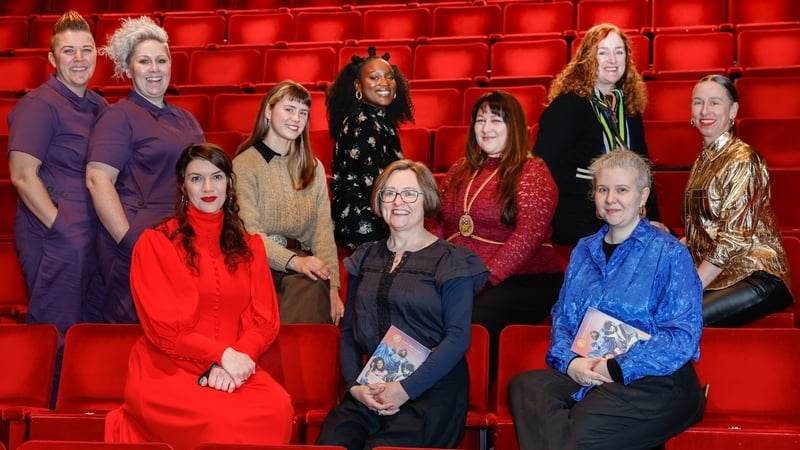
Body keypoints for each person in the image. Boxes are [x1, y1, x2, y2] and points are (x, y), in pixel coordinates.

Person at [508, 149, 706, 450]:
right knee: (526, 387)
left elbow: (681, 336)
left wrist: (613, 368)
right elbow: (563, 318)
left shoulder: (669, 253)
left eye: (621, 190)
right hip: (588, 371)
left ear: (643, 197)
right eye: (603, 189)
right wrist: (571, 362)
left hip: (654, 380)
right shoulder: (583, 251)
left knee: (578, 427)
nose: (611, 198)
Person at [104, 143, 294, 450]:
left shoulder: (251, 246)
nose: (208, 187)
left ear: (230, 183)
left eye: (217, 177)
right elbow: (165, 330)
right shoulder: (156, 243)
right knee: (220, 422)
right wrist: (220, 356)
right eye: (196, 179)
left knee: (278, 407)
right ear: (183, 186)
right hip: (167, 371)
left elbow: (264, 319)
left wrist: (236, 360)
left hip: (234, 367)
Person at [316, 160, 489, 450]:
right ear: (379, 200)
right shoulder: (365, 257)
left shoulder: (452, 260)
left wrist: (405, 389)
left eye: (410, 193)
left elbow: (458, 338)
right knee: (333, 442)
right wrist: (354, 387)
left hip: (433, 387)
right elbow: (348, 333)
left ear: (427, 200)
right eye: (389, 193)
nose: (398, 202)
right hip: (374, 383)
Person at [7, 10, 108, 402]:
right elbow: (21, 176)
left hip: (92, 237)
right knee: (59, 334)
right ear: (52, 59)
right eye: (69, 51)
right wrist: (63, 230)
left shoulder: (100, 105)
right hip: (55, 238)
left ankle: (82, 416)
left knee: (91, 333)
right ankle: (46, 423)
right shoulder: (39, 105)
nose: (79, 58)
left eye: (86, 50)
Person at [434, 90, 563, 383]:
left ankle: (469, 395)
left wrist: (481, 279)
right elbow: (440, 223)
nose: (486, 128)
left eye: (496, 120)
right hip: (464, 276)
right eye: (480, 120)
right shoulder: (460, 169)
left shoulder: (533, 171)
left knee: (472, 319)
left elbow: (527, 237)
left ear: (513, 126)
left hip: (525, 280)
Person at [86, 16, 204, 323]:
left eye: (161, 60)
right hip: (137, 242)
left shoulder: (187, 119)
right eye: (144, 61)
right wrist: (129, 243)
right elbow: (98, 181)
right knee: (134, 333)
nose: (154, 69)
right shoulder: (118, 116)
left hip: (183, 243)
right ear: (128, 69)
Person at [535, 23, 666, 246]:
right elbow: (545, 171)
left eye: (619, 52)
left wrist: (652, 218)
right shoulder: (566, 107)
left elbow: (642, 169)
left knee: (663, 240)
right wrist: (606, 197)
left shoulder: (630, 109)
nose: (612, 60)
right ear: (587, 59)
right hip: (581, 216)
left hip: (626, 211)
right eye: (602, 52)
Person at [684, 74, 793, 327]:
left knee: (683, 320)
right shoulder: (704, 160)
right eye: (698, 102)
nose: (704, 110)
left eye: (714, 103)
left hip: (758, 276)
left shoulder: (743, 159)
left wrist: (692, 287)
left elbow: (734, 237)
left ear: (733, 110)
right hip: (723, 276)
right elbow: (703, 229)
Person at [233, 80, 344, 324]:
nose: (296, 118)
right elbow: (249, 233)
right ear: (268, 111)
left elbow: (322, 232)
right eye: (289, 109)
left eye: (303, 112)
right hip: (258, 261)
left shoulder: (312, 167)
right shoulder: (244, 165)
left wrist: (334, 288)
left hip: (301, 263)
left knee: (313, 285)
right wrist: (294, 262)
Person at [327, 46, 414, 250]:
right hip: (361, 217)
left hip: (379, 209)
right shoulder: (362, 121)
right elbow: (374, 185)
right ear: (358, 85)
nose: (384, 83)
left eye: (390, 77)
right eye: (374, 78)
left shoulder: (378, 119)